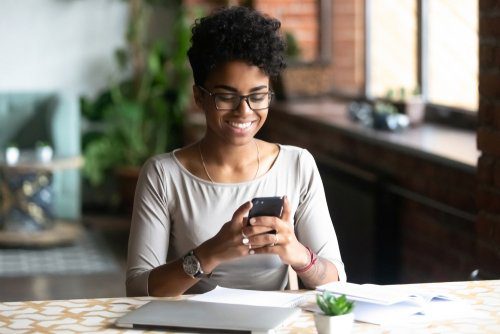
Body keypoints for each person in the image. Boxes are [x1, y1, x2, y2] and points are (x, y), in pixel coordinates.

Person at [126, 6, 346, 297]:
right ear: (199, 97)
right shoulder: (164, 175)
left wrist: (299, 255)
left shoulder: (297, 165)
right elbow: (138, 289)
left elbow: (337, 281)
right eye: (227, 96)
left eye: (257, 96)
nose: (244, 111)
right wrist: (209, 254)